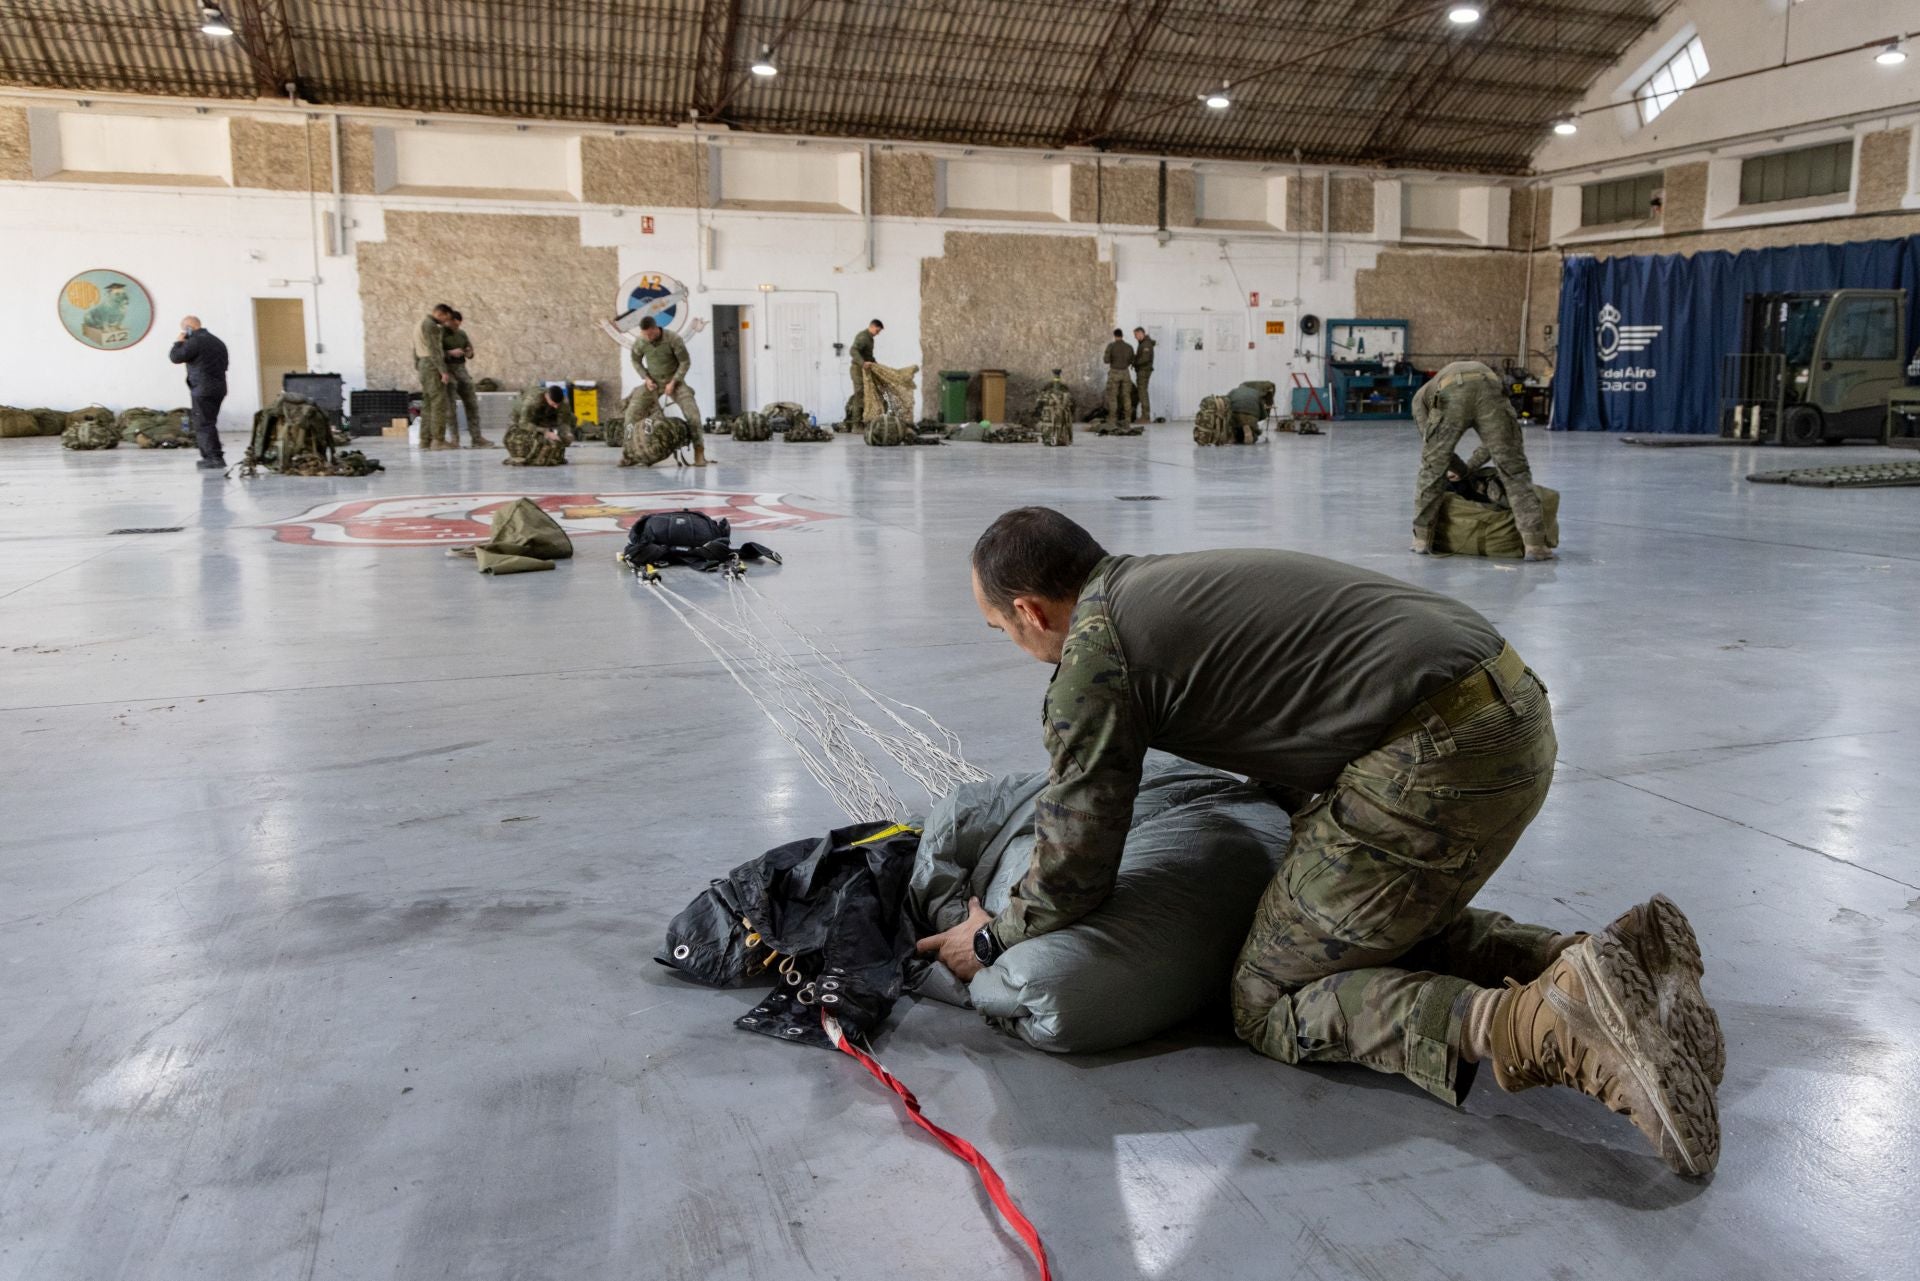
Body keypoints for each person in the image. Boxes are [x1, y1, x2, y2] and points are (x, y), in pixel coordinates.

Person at [918, 508, 1724, 1177]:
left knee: (1268, 1000)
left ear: (1030, 609)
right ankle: (1612, 968)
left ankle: (1540, 1025)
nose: (1015, 645)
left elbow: (1076, 862)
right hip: (1510, 704)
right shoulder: (1156, 583)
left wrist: (990, 935)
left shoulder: (1096, 656)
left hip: (1437, 755)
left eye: (1003, 628)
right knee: (1367, 925)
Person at [1412, 361, 1553, 561]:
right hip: (1491, 387)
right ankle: (1534, 544)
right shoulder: (1476, 377)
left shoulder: (1420, 399)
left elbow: (1435, 453)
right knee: (1514, 471)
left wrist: (1462, 470)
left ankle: (1421, 540)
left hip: (1452, 391)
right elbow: (1498, 445)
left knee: (1431, 470)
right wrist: (1469, 467)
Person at [623, 315, 705, 467]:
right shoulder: (641, 341)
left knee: (692, 413)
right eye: (644, 334)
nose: (648, 337)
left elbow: (685, 362)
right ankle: (628, 453)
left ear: (656, 328)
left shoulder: (673, 339)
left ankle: (699, 451)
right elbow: (635, 360)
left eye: (650, 334)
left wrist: (674, 382)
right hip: (652, 383)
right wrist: (646, 378)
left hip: (674, 382)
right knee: (630, 414)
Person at [168, 315, 229, 470]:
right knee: (209, 422)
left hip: (203, 388)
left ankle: (213, 458)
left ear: (189, 327)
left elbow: (176, 357)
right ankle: (215, 455)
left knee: (203, 423)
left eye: (184, 329)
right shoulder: (217, 341)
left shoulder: (194, 341)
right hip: (219, 387)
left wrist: (178, 342)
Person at [442, 310, 495, 448]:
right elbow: (434, 353)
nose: (456, 327)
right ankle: (454, 439)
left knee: (472, 403)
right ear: (448, 321)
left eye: (458, 325)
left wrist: (469, 352)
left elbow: (469, 350)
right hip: (447, 370)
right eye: (454, 324)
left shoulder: (461, 334)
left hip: (461, 370)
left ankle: (476, 438)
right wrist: (449, 352)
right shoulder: (440, 333)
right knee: (450, 408)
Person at [415, 303, 455, 451]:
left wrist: (418, 366)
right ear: (440, 313)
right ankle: (438, 440)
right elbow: (434, 349)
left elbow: (415, 349)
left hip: (423, 364)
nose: (445, 322)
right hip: (432, 365)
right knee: (438, 403)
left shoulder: (419, 324)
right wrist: (443, 371)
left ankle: (425, 440)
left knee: (427, 404)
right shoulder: (431, 325)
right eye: (446, 318)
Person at [503, 385, 573, 467]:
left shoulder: (563, 402)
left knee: (572, 419)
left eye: (558, 404)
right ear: (547, 396)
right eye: (554, 404)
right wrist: (545, 432)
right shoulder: (531, 401)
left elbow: (564, 421)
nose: (556, 406)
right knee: (522, 437)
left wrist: (566, 433)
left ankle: (554, 455)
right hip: (521, 417)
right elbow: (524, 423)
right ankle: (521, 455)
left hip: (543, 414)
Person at [846, 319, 883, 431]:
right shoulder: (863, 337)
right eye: (877, 330)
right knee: (860, 394)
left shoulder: (870, 339)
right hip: (857, 370)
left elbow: (868, 356)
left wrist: (877, 366)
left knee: (866, 395)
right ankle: (856, 425)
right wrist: (862, 363)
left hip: (864, 370)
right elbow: (853, 350)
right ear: (872, 326)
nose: (878, 333)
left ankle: (863, 422)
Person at [1103, 329, 1134, 426]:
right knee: (1126, 396)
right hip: (1125, 372)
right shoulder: (1129, 347)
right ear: (1122, 335)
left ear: (1115, 335)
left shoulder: (1111, 346)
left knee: (1113, 397)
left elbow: (1106, 360)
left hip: (1114, 372)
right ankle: (1127, 420)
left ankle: (1112, 420)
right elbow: (1131, 360)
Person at [1130, 326, 1155, 423]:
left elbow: (1145, 359)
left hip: (1144, 371)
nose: (1135, 337)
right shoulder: (1143, 343)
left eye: (1136, 335)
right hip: (1142, 370)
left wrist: (1135, 362)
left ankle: (1145, 416)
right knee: (1142, 392)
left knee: (1142, 393)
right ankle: (1145, 416)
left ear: (1141, 333)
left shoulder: (1146, 344)